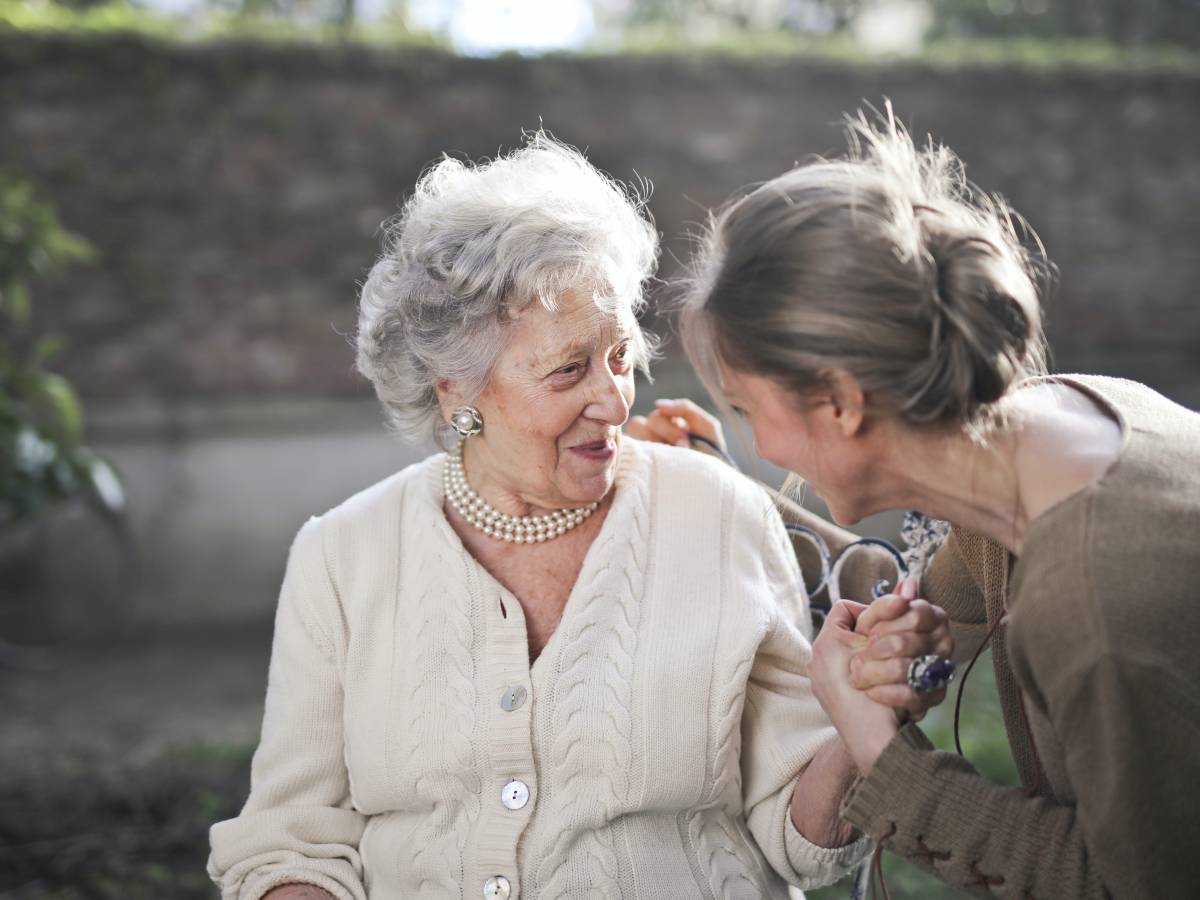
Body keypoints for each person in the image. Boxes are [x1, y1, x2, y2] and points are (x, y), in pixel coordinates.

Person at [206, 134, 951, 900]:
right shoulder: (342, 556)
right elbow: (289, 843)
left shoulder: (717, 515)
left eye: (621, 357)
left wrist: (857, 722)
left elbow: (805, 845)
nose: (614, 399)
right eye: (569, 369)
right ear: (455, 388)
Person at [639, 106, 1200, 897]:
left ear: (838, 402)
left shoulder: (1096, 603)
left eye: (747, 410)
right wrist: (712, 483)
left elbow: (1133, 884)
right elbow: (908, 589)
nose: (761, 445)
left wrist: (885, 758)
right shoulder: (1057, 425)